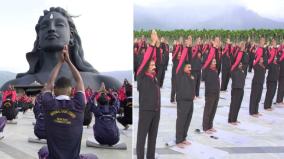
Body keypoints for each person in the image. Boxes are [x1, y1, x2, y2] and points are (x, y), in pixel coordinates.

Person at [1, 7, 120, 91]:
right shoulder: (13, 85)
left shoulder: (105, 83)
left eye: (59, 24)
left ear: (71, 36)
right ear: (38, 38)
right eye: (45, 26)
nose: (51, 29)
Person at [38, 45, 97, 159]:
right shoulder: (79, 104)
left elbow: (50, 83)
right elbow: (79, 80)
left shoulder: (48, 103)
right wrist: (68, 61)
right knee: (93, 157)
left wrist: (60, 62)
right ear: (71, 91)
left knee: (43, 150)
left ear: (54, 90)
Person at [136, 30, 161, 159]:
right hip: (146, 111)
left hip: (156, 111)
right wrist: (152, 44)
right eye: (151, 65)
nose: (153, 66)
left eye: (153, 64)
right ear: (145, 66)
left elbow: (157, 59)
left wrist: (157, 45)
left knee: (153, 138)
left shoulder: (154, 77)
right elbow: (147, 59)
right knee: (141, 138)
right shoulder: (141, 77)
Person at [175, 45, 195, 148]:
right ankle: (178, 140)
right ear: (183, 67)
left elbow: (190, 59)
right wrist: (187, 47)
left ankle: (183, 138)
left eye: (191, 67)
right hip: (182, 101)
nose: (190, 69)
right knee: (181, 120)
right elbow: (183, 60)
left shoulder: (190, 76)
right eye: (188, 67)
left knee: (188, 120)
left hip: (190, 101)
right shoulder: (179, 74)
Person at [202, 38, 221, 133]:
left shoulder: (215, 70)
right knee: (208, 110)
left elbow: (217, 59)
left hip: (216, 92)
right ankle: (205, 127)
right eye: (213, 62)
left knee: (213, 110)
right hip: (210, 92)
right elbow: (209, 58)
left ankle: (210, 125)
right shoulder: (206, 69)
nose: (215, 63)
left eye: (215, 62)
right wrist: (213, 47)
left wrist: (217, 49)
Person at [228, 42, 246, 125]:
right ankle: (231, 119)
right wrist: (240, 50)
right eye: (239, 63)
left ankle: (235, 119)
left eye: (241, 64)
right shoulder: (233, 68)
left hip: (241, 88)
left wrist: (243, 50)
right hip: (235, 88)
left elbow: (243, 58)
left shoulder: (242, 69)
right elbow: (237, 58)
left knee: (238, 104)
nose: (241, 64)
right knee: (234, 104)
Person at [249, 37, 267, 117]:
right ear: (260, 42)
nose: (263, 42)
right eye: (262, 41)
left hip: (262, 75)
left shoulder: (264, 50)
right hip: (257, 76)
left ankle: (256, 111)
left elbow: (266, 62)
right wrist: (259, 63)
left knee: (259, 94)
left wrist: (263, 64)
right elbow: (255, 63)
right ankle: (252, 111)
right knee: (255, 93)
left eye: (264, 41)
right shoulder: (259, 49)